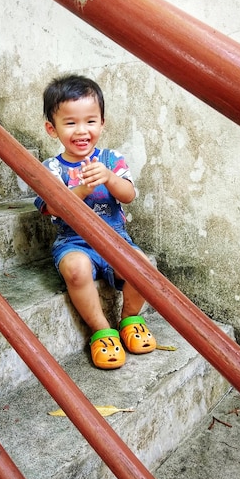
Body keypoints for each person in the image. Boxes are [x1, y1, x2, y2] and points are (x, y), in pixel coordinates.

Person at [34, 74, 156, 369]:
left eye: (90, 121)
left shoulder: (111, 159)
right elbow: (52, 208)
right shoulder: (50, 168)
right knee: (76, 270)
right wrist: (82, 189)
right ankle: (102, 330)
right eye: (70, 122)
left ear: (102, 123)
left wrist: (110, 178)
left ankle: (130, 320)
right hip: (74, 241)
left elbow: (128, 196)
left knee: (143, 265)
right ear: (52, 128)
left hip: (114, 237)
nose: (82, 130)